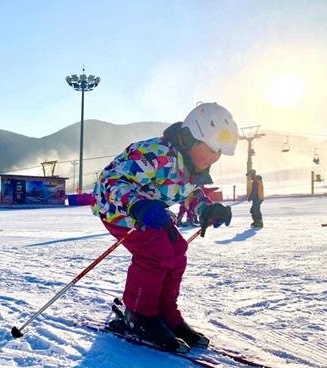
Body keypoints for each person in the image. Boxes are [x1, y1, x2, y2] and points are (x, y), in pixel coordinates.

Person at [92, 102, 237, 352]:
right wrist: (137, 205)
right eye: (211, 149)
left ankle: (165, 312)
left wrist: (207, 209)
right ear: (191, 138)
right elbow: (112, 180)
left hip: (151, 210)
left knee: (177, 251)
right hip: (118, 209)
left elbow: (190, 193)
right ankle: (139, 314)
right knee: (155, 253)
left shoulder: (192, 165)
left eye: (219, 153)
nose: (213, 158)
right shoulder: (155, 154)